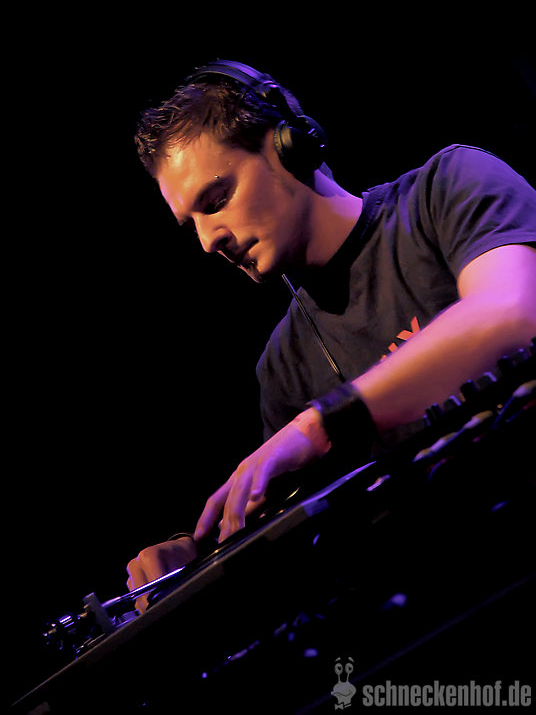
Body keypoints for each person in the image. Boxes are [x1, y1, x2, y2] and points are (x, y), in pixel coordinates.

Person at [126, 60, 536, 611]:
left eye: (216, 199)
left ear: (288, 147)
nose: (207, 240)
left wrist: (323, 422)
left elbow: (511, 313)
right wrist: (200, 562)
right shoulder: (284, 368)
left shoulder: (449, 187)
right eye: (191, 223)